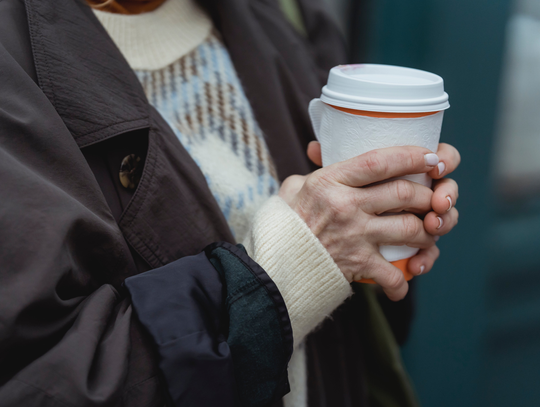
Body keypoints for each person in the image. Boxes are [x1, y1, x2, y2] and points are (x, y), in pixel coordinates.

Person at [0, 0, 460, 406]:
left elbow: (366, 320)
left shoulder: (285, 14)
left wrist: (391, 223)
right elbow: (41, 379)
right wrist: (289, 267)